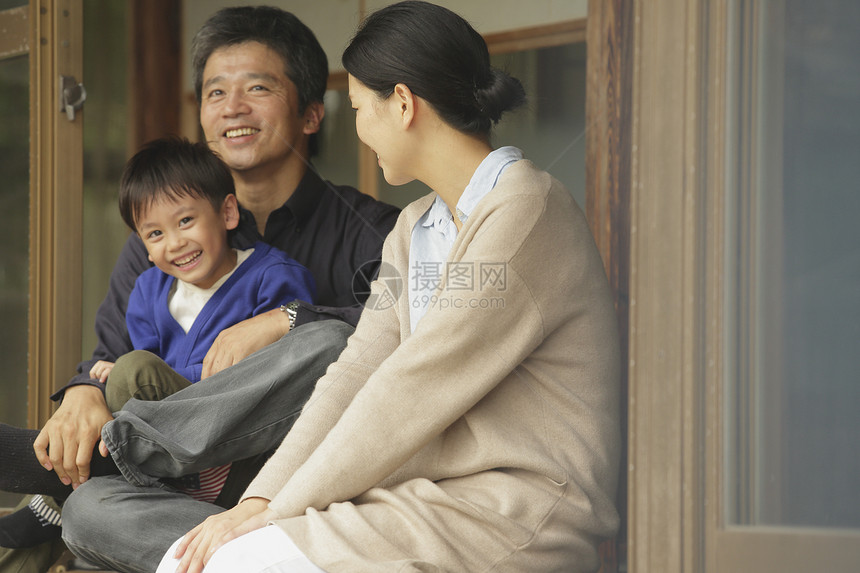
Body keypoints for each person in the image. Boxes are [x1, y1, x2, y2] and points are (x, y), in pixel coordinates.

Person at [149, 2, 621, 572]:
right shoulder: (413, 227)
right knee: (190, 555)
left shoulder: (527, 211)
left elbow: (413, 383)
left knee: (238, 561)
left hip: (518, 508)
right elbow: (355, 370)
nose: (356, 126)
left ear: (401, 104)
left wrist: (277, 509)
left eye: (355, 107)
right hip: (423, 496)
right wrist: (259, 500)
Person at [0, 5, 399, 572]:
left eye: (257, 87)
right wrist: (81, 393)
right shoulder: (159, 241)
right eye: (215, 92)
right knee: (86, 507)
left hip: (291, 484)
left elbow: (406, 330)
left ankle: (99, 468)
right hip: (174, 498)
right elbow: (113, 353)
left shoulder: (373, 230)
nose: (232, 107)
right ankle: (95, 474)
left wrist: (285, 320)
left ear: (313, 113)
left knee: (328, 338)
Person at [0, 136, 317, 546]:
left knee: (131, 370)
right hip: (165, 460)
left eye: (186, 222)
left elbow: (282, 375)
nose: (175, 243)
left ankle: (55, 491)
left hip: (236, 446)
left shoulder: (271, 275)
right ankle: (66, 492)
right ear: (143, 247)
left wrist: (132, 372)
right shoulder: (150, 289)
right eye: (154, 234)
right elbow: (141, 368)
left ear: (227, 211)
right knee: (122, 379)